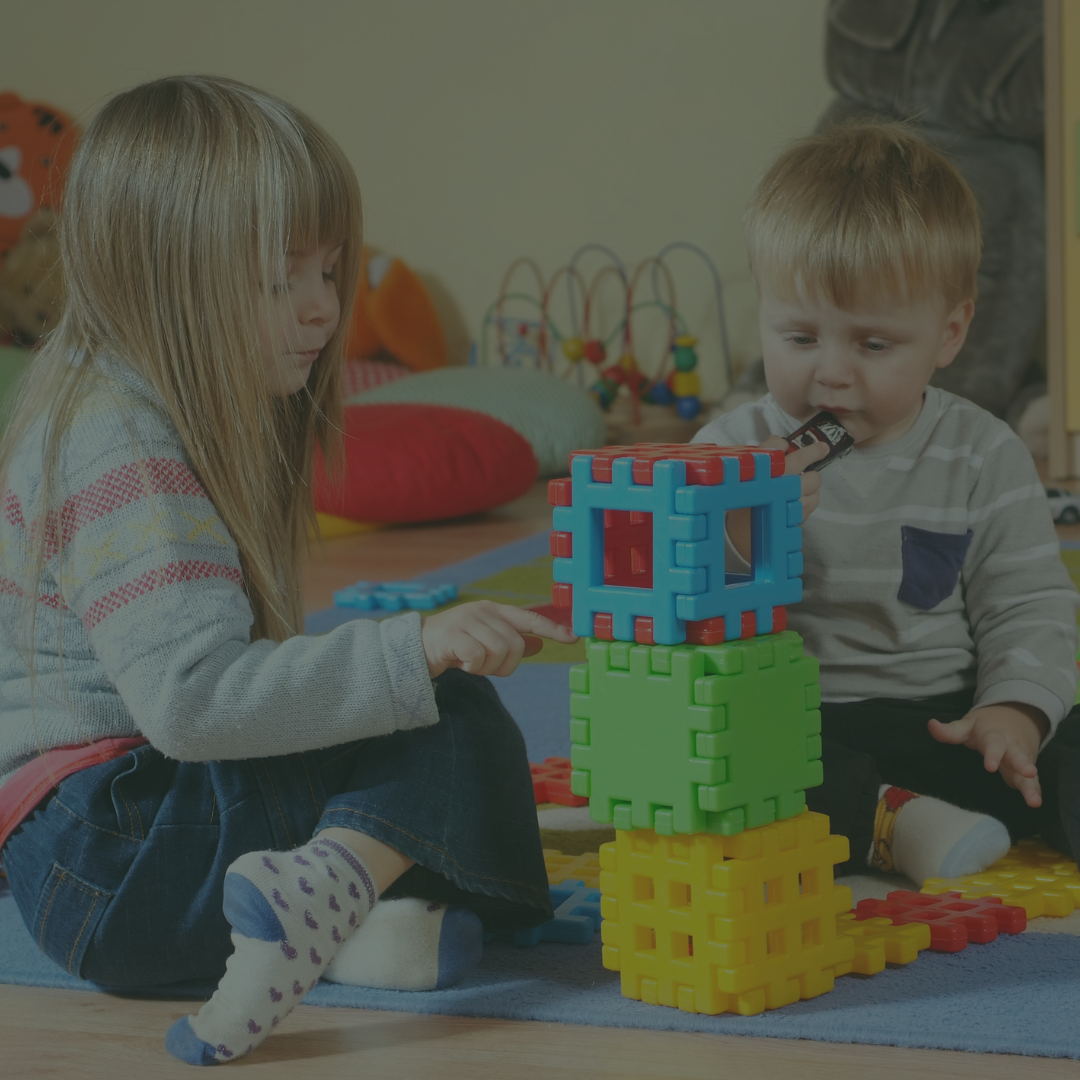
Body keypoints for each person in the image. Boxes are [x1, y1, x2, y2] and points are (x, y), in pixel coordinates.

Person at [0, 75, 577, 1066]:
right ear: (163, 283)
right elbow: (191, 703)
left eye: (328, 272)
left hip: (100, 867)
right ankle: (317, 895)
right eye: (282, 281)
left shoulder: (118, 404)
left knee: (413, 727)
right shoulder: (122, 446)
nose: (323, 311)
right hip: (120, 851)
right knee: (447, 710)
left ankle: (357, 936)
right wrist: (412, 649)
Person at [694, 120, 1080, 889]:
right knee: (709, 749)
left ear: (949, 332)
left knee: (1065, 717)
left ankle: (963, 800)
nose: (831, 375)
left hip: (949, 719)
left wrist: (1015, 714)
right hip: (800, 725)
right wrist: (744, 526)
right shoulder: (727, 453)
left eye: (873, 346)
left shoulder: (982, 451)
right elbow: (690, 620)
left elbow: (1030, 606)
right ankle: (893, 822)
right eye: (799, 337)